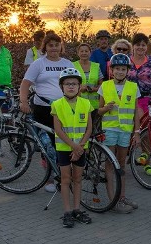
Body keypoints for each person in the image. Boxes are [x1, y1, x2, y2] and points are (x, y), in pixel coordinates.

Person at [20, 32, 69, 193]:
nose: (54, 48)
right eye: (50, 45)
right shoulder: (38, 64)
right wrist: (24, 101)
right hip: (43, 108)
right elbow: (25, 83)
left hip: (64, 109)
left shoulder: (68, 63)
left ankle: (64, 176)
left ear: (60, 46)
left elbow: (76, 84)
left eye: (56, 45)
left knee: (63, 143)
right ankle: (50, 178)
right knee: (47, 144)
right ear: (45, 47)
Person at [98, 53, 142, 214]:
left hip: (125, 131)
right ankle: (113, 200)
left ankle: (121, 197)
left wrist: (137, 132)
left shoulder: (133, 87)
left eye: (123, 69)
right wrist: (105, 108)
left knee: (122, 164)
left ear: (127, 71)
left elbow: (136, 111)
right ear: (112, 70)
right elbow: (99, 111)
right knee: (110, 164)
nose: (120, 72)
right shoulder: (105, 86)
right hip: (109, 130)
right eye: (117, 69)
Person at [50, 68, 94, 228]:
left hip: (81, 149)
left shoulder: (86, 103)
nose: (71, 87)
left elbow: (89, 128)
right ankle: (67, 211)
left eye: (74, 84)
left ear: (79, 86)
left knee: (77, 179)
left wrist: (79, 147)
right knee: (65, 179)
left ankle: (77, 209)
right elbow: (58, 129)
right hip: (64, 148)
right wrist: (74, 146)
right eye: (67, 84)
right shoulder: (57, 105)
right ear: (61, 86)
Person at [128, 32, 151, 182]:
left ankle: (146, 163)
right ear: (133, 46)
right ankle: (128, 157)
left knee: (147, 132)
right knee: (132, 131)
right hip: (129, 100)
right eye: (138, 45)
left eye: (143, 45)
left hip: (148, 99)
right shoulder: (126, 61)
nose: (140, 47)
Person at [72, 43, 101, 112]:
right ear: (78, 53)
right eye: (81, 51)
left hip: (94, 105)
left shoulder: (96, 66)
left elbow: (101, 84)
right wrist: (80, 88)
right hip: (78, 104)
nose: (84, 53)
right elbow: (69, 83)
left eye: (86, 51)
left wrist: (95, 89)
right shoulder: (72, 66)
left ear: (90, 53)